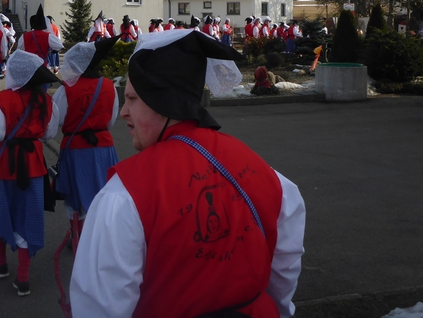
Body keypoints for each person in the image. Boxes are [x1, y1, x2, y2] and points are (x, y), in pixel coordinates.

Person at [70, 30, 305, 317]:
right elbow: (284, 271)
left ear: (162, 101)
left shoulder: (125, 195)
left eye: (132, 98)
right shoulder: (271, 177)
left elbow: (99, 306)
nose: (124, 112)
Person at [0, 50, 60, 296]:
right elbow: (48, 134)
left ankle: (1, 263)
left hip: (4, 164)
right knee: (28, 216)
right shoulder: (47, 101)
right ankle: (23, 278)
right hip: (33, 165)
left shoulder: (2, 100)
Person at [52, 38, 120, 241]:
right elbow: (110, 120)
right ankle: (101, 237)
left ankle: (78, 236)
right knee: (104, 192)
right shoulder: (109, 86)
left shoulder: (65, 89)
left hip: (76, 148)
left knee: (75, 196)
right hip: (104, 147)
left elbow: (58, 119)